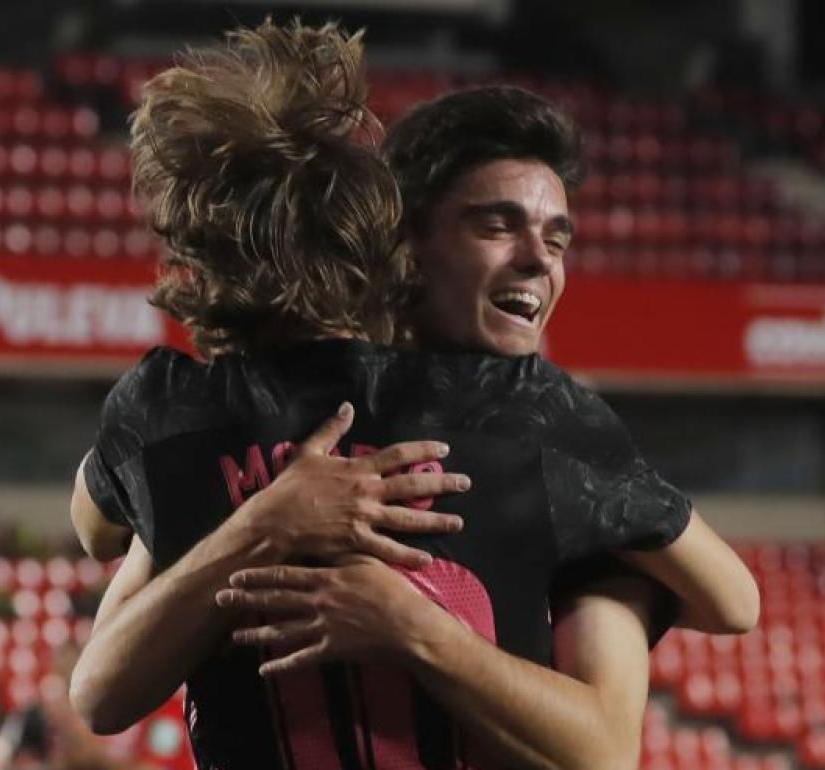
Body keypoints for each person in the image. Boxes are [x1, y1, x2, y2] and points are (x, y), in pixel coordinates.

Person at [69, 19, 757, 770]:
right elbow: (100, 682)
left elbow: (96, 531)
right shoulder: (534, 419)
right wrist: (266, 522)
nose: (537, 261)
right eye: (497, 225)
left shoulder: (181, 415)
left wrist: (409, 622)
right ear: (401, 243)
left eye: (557, 240)